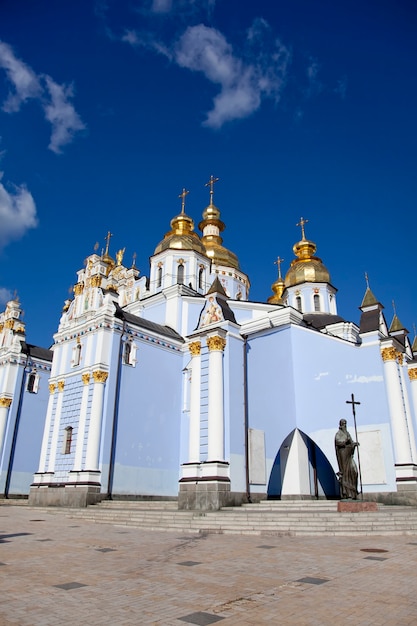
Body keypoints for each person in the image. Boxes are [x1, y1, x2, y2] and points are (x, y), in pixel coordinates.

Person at [335, 419, 359, 499]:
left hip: (349, 456)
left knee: (354, 471)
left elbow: (351, 442)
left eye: (345, 423)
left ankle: (354, 492)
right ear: (340, 424)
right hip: (343, 457)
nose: (345, 425)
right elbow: (338, 442)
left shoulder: (347, 433)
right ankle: (347, 493)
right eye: (343, 423)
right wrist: (346, 441)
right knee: (345, 473)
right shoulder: (338, 434)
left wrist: (354, 444)